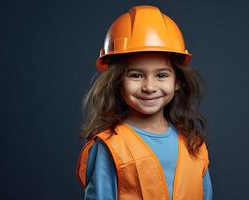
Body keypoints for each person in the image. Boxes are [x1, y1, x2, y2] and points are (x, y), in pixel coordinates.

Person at [76, 5, 213, 200]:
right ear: (117, 82)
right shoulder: (110, 146)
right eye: (136, 75)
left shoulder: (194, 144)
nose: (149, 87)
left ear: (177, 82)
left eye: (162, 75)